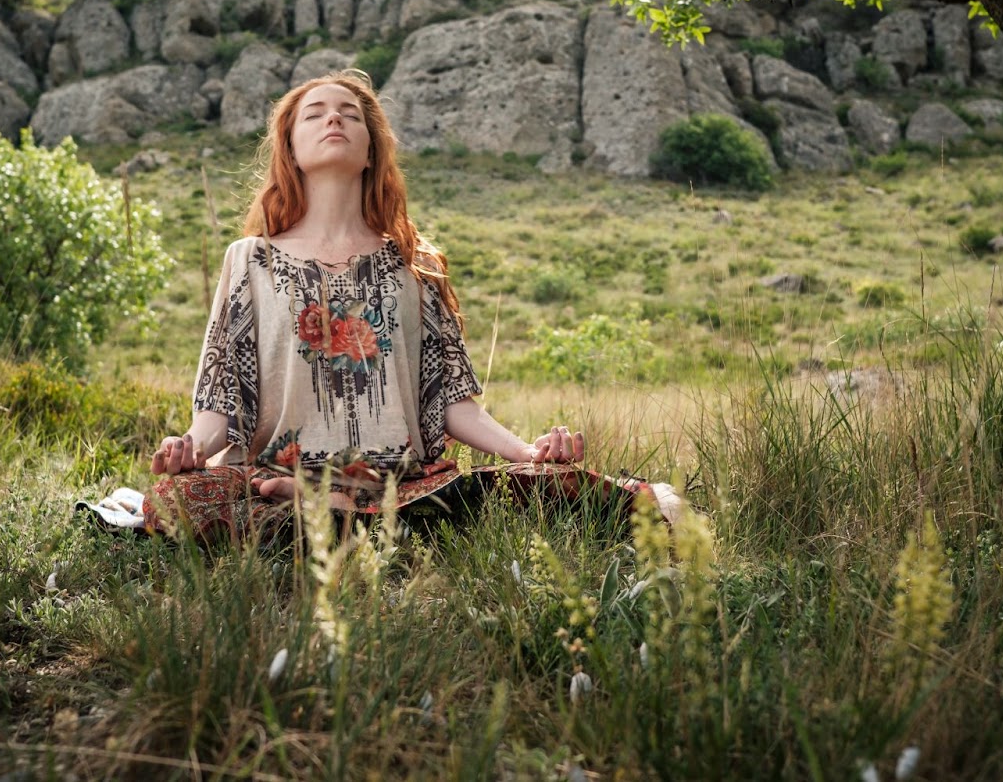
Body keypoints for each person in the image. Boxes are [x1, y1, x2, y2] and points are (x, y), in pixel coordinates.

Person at [142, 70, 668, 543]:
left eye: (350, 115)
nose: (334, 119)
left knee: (573, 489)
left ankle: (336, 511)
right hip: (272, 473)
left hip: (404, 481)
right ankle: (329, 506)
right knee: (175, 501)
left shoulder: (413, 264)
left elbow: (455, 404)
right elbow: (221, 402)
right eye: (316, 114)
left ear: (371, 152)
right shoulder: (249, 260)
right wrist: (188, 446)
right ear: (292, 149)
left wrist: (528, 456)